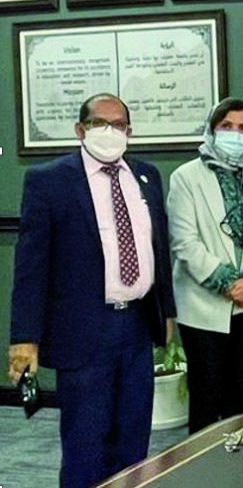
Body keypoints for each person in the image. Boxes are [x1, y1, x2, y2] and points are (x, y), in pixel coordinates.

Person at [7, 93, 175, 488]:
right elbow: (31, 267)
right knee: (85, 446)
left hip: (137, 327)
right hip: (83, 331)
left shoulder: (147, 176)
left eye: (119, 124)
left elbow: (158, 250)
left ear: (130, 131)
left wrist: (166, 312)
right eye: (100, 123)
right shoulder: (50, 181)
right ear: (80, 130)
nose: (110, 131)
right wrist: (24, 338)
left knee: (133, 441)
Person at [167, 98, 243, 433]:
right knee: (206, 393)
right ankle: (204, 461)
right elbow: (185, 242)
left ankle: (238, 457)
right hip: (202, 304)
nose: (235, 134)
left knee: (239, 392)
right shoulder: (186, 177)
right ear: (211, 130)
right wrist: (228, 283)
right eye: (227, 126)